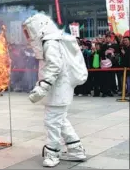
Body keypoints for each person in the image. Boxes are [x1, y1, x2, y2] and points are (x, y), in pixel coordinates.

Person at [22, 13, 87, 167]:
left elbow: (54, 66)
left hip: (58, 89)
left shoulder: (50, 41)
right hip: (60, 88)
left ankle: (52, 154)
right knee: (60, 120)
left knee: (52, 122)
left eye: (28, 31)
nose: (27, 35)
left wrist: (43, 86)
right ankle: (76, 149)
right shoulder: (54, 39)